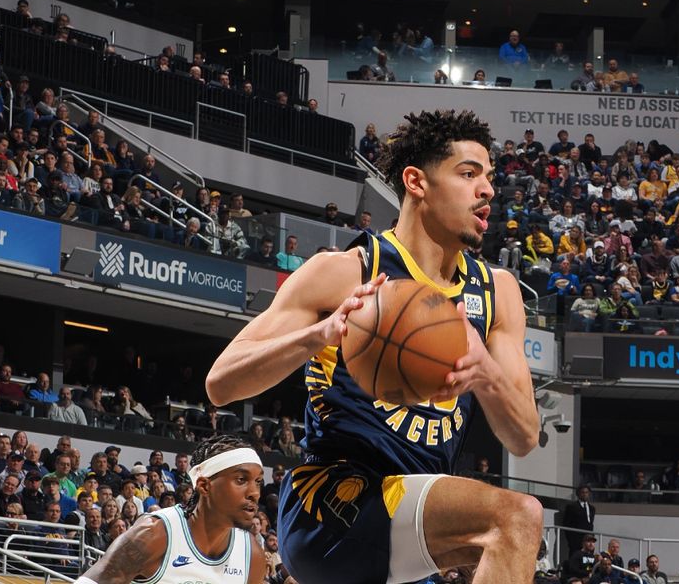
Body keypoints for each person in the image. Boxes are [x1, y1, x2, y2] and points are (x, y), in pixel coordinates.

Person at [206, 109, 542, 584]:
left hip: (408, 518)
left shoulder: (497, 292)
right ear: (416, 182)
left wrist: (487, 373)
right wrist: (318, 336)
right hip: (332, 503)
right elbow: (221, 383)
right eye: (468, 174)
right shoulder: (345, 272)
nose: (487, 189)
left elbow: (525, 436)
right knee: (515, 517)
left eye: (488, 177)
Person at [75, 435, 265, 584]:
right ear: (205, 486)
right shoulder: (153, 534)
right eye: (241, 480)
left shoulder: (252, 555)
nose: (254, 493)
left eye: (258, 482)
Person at [563, 485, 595, 556]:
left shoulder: (592, 508)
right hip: (576, 540)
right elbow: (566, 524)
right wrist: (571, 541)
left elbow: (590, 523)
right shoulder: (572, 507)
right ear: (578, 494)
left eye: (586, 492)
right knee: (575, 559)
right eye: (582, 492)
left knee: (588, 561)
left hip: (588, 539)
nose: (585, 494)